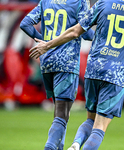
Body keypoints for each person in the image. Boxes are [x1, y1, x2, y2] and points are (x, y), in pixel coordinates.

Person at [29, 0, 124, 149]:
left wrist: (48, 44)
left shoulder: (102, 4)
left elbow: (76, 31)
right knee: (99, 127)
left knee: (90, 119)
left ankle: (75, 144)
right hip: (116, 75)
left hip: (94, 70)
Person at [20, 0, 94, 150]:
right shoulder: (79, 2)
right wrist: (98, 36)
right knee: (62, 114)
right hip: (66, 63)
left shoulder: (46, 1)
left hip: (47, 62)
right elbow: (85, 33)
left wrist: (42, 41)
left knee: (59, 114)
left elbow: (25, 23)